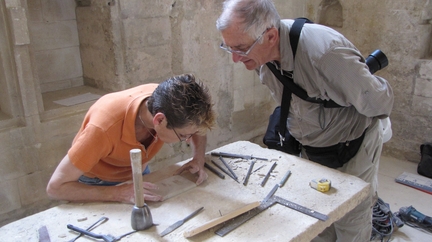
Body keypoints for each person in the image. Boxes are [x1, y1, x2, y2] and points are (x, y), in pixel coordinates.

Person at [216, 0, 394, 241]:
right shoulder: (262, 57)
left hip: (352, 146)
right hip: (311, 147)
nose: (235, 59)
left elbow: (380, 102)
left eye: (241, 49)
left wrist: (350, 86)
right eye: (229, 48)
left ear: (270, 36)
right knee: (317, 216)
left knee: (350, 221)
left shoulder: (326, 55)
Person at [46, 74, 215, 204]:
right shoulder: (102, 129)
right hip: (97, 182)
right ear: (159, 120)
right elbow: (55, 187)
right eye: (184, 136)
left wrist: (198, 158)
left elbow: (196, 127)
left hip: (137, 171)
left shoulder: (171, 103)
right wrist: (118, 193)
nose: (187, 140)